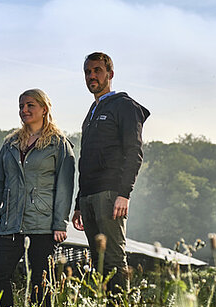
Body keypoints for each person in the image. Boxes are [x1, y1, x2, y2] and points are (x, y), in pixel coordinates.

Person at [0, 89, 75, 307]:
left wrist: (60, 223)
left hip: (42, 224)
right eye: (21, 106)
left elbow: (65, 187)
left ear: (44, 109)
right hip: (10, 223)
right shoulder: (10, 144)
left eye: (30, 105)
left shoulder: (59, 144)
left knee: (41, 282)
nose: (24, 110)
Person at [71, 52, 150, 292]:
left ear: (110, 74)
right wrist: (78, 202)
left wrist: (124, 193)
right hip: (88, 198)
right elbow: (86, 160)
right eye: (87, 72)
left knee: (114, 260)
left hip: (110, 195)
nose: (91, 76)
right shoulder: (91, 113)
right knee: (98, 263)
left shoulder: (124, 106)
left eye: (97, 70)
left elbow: (134, 151)